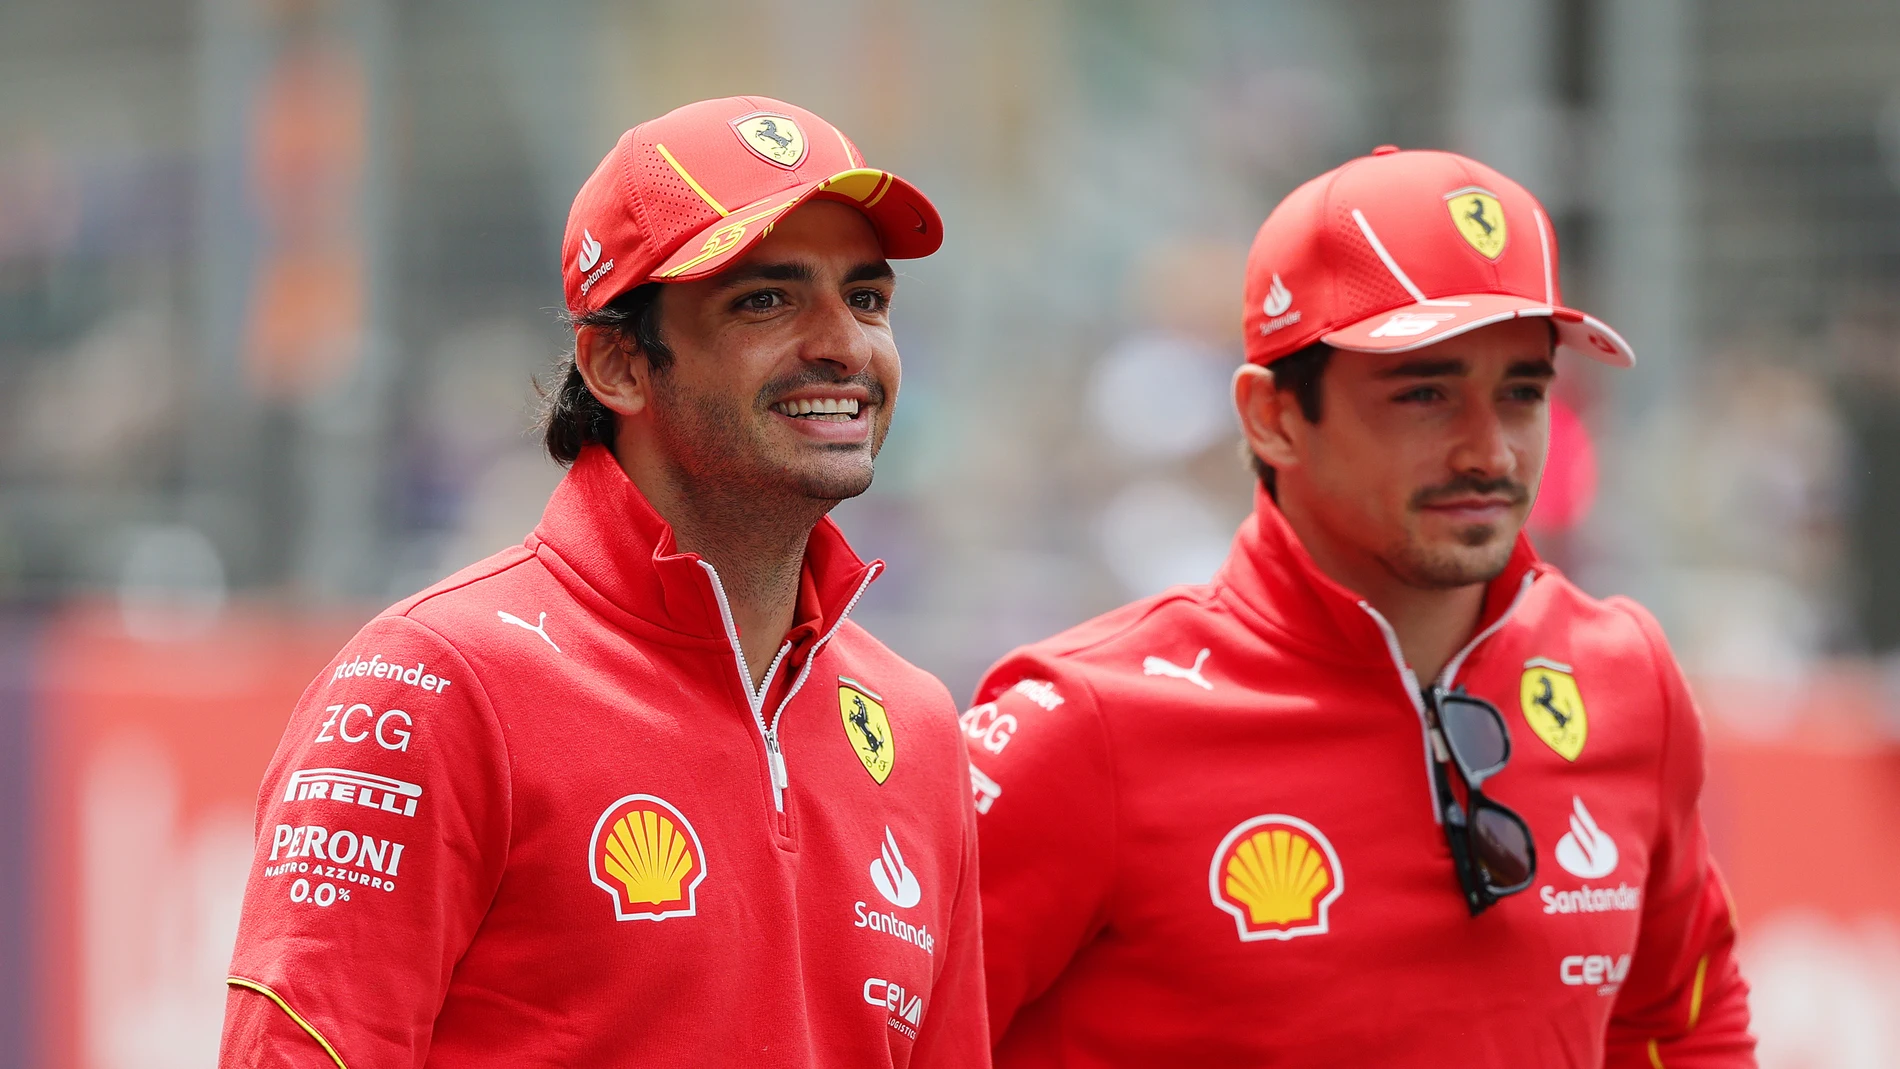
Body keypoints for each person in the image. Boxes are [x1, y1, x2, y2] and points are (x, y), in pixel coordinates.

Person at [220, 96, 987, 1068]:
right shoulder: (432, 684)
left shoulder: (917, 727)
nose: (846, 343)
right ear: (618, 363)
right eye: (766, 300)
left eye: (867, 299)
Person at [964, 147, 1755, 1067]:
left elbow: (1682, 1019)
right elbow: (879, 1032)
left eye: (1522, 393)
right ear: (1272, 417)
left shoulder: (1627, 678)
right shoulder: (1081, 723)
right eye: (1425, 393)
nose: (1490, 450)